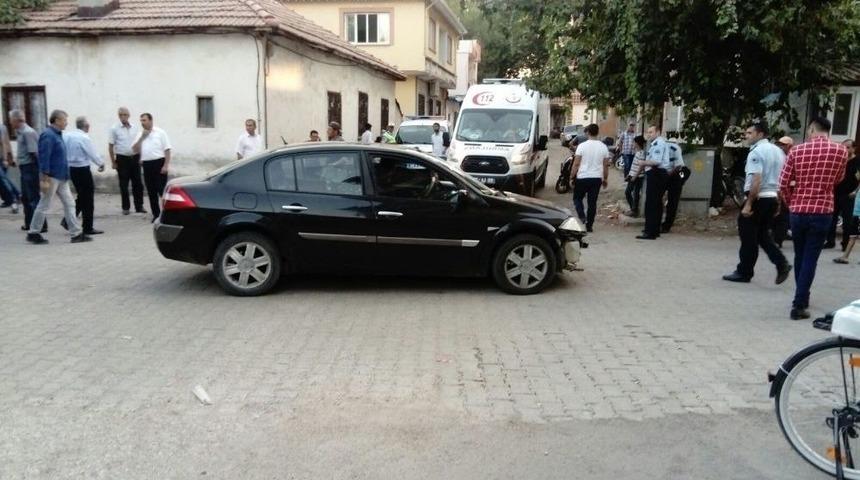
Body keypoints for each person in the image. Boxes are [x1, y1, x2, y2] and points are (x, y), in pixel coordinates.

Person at [778, 117, 849, 320]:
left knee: (800, 255)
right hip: (823, 211)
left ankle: (802, 297)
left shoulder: (797, 151)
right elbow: (839, 179)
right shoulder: (840, 151)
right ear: (828, 131)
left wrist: (792, 203)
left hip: (798, 210)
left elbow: (783, 182)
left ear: (811, 129)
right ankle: (799, 302)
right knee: (811, 257)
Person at [722, 121, 791, 284]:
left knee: (748, 235)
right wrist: (779, 201)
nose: (746, 136)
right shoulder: (779, 152)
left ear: (760, 134)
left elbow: (756, 180)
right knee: (761, 235)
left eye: (749, 133)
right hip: (772, 196)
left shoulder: (757, 152)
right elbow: (782, 179)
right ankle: (781, 263)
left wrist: (748, 203)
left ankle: (744, 271)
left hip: (759, 197)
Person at [27, 110, 90, 244]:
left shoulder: (57, 134)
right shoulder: (48, 135)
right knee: (44, 204)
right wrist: (44, 178)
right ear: (57, 120)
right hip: (52, 176)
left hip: (61, 176)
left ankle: (76, 233)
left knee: (70, 203)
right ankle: (33, 232)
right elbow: (44, 157)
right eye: (64, 120)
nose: (66, 122)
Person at [64, 116, 105, 235]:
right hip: (82, 168)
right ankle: (87, 226)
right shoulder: (84, 137)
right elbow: (91, 152)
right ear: (86, 126)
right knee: (88, 198)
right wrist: (100, 163)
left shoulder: (67, 135)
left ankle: (68, 221)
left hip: (71, 168)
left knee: (82, 196)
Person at [571, 123, 610, 232]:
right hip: (596, 179)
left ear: (587, 132)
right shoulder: (603, 147)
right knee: (592, 203)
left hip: (582, 177)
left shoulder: (582, 146)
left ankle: (582, 216)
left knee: (577, 198)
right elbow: (606, 165)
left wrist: (571, 177)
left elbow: (576, 164)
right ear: (598, 133)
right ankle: (589, 226)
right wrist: (605, 179)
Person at [9, 109, 44, 232]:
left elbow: (35, 153)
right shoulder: (20, 132)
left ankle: (40, 225)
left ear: (17, 120)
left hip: (30, 167)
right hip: (24, 168)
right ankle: (29, 223)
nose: (10, 123)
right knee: (25, 197)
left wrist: (41, 172)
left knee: (33, 197)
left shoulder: (28, 132)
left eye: (11, 120)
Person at [132, 113, 171, 221]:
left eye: (144, 120)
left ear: (150, 120)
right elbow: (134, 149)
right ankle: (156, 214)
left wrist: (166, 165)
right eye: (141, 121)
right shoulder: (140, 134)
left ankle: (167, 214)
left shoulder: (160, 132)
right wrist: (142, 138)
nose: (142, 123)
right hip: (147, 164)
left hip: (159, 163)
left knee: (161, 190)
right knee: (151, 191)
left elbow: (167, 149)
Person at [637, 124, 672, 240]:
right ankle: (654, 229)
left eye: (651, 132)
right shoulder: (656, 143)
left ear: (658, 132)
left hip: (656, 173)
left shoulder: (659, 143)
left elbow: (656, 161)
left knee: (652, 203)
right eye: (648, 132)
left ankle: (650, 232)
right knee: (656, 203)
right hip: (658, 174)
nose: (649, 134)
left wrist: (643, 163)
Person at [109, 107, 145, 215]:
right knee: (123, 184)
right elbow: (111, 146)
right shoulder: (114, 129)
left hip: (135, 157)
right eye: (121, 115)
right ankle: (126, 207)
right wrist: (113, 162)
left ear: (129, 116)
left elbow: (139, 143)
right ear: (118, 116)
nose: (123, 117)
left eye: (125, 114)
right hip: (122, 158)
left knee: (138, 183)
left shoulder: (135, 128)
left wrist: (141, 157)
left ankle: (139, 206)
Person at [826, 139, 859, 250]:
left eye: (848, 147)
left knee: (847, 220)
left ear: (854, 148)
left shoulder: (857, 162)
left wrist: (855, 192)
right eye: (843, 147)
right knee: (832, 218)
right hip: (836, 193)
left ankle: (845, 243)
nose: (845, 149)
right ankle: (830, 241)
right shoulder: (840, 160)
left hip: (849, 195)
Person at [661, 140, 688, 233]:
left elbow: (679, 168)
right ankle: (666, 226)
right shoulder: (676, 147)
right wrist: (682, 181)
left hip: (668, 175)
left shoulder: (664, 146)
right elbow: (680, 168)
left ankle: (662, 224)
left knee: (663, 199)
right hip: (675, 176)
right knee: (673, 203)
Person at [773, 136, 794, 248]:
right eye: (779, 144)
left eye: (783, 145)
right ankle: (775, 237)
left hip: (786, 190)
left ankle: (778, 239)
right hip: (777, 188)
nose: (780, 146)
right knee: (776, 214)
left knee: (783, 216)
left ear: (789, 146)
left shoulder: (792, 157)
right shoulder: (778, 156)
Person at [833, 184, 860, 265]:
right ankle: (845, 257)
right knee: (852, 236)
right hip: (856, 213)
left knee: (853, 236)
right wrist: (855, 191)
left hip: (858, 214)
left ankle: (845, 257)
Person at [624, 135, 647, 217]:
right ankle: (634, 210)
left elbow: (641, 167)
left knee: (629, 192)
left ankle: (634, 210)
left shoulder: (641, 153)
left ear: (637, 143)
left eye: (634, 142)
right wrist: (629, 175)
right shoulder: (638, 152)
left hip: (637, 177)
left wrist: (634, 176)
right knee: (634, 193)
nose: (633, 144)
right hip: (633, 175)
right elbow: (635, 166)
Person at [0, 121, 20, 213]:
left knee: (3, 180)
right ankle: (16, 196)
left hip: (1, 157)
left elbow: (4, 143)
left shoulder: (1, 127)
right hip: (3, 157)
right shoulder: (3, 126)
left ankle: (13, 200)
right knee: (4, 179)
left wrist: (5, 159)